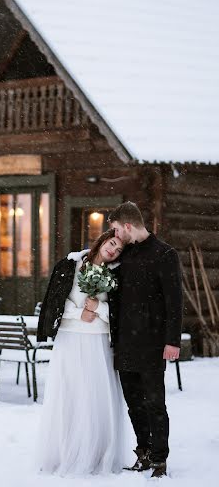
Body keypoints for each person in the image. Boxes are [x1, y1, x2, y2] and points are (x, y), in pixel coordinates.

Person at [35, 229, 131, 477]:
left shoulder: (116, 274)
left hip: (98, 343)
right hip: (70, 340)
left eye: (119, 249)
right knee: (71, 394)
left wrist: (98, 307)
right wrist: (80, 314)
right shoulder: (71, 264)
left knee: (94, 396)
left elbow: (120, 314)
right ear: (102, 240)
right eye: (112, 243)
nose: (113, 250)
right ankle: (68, 450)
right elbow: (57, 301)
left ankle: (96, 452)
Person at [108, 201, 183, 479]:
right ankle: (144, 453)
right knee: (134, 404)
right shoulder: (123, 255)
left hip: (152, 343)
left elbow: (174, 302)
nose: (115, 236)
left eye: (116, 229)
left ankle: (160, 460)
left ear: (128, 226)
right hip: (125, 342)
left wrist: (172, 340)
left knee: (155, 403)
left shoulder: (165, 254)